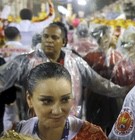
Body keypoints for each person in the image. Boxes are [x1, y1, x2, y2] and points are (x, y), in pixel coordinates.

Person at [0, 22, 128, 119]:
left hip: (69, 127)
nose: (49, 40)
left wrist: (123, 91)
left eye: (54, 37)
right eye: (45, 36)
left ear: (64, 41)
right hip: (35, 128)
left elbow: (97, 82)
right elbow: (2, 78)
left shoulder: (75, 62)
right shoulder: (25, 61)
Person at [83, 25, 122, 133]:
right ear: (103, 37)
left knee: (112, 129)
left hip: (113, 100)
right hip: (95, 99)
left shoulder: (118, 56)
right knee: (96, 130)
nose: (113, 37)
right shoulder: (90, 57)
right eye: (110, 35)